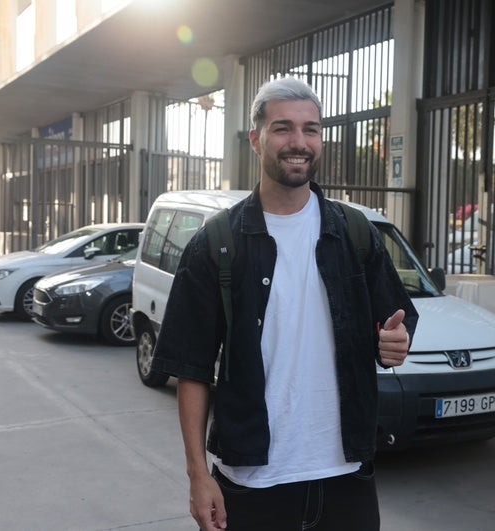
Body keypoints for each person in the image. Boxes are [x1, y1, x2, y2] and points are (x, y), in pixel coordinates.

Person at [152, 77, 418, 531]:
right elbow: (191, 368)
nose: (299, 142)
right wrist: (198, 475)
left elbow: (391, 326)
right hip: (252, 481)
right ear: (255, 139)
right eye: (283, 128)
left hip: (347, 476)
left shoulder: (353, 233)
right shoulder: (216, 243)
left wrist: (394, 343)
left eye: (310, 129)